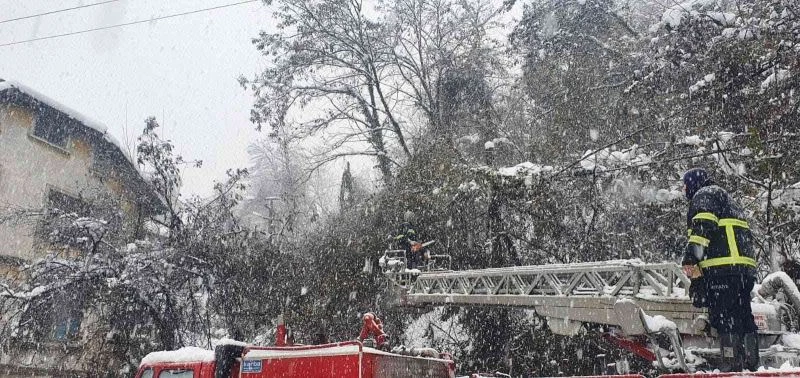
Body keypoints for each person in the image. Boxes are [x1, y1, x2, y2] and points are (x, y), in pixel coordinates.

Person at [681, 168, 759, 371]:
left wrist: (691, 257)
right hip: (742, 270)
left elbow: (703, 224)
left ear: (693, 184)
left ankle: (731, 366)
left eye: (685, 186)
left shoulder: (705, 195)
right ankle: (751, 365)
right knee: (743, 316)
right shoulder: (725, 198)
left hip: (722, 269)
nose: (684, 190)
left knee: (725, 318)